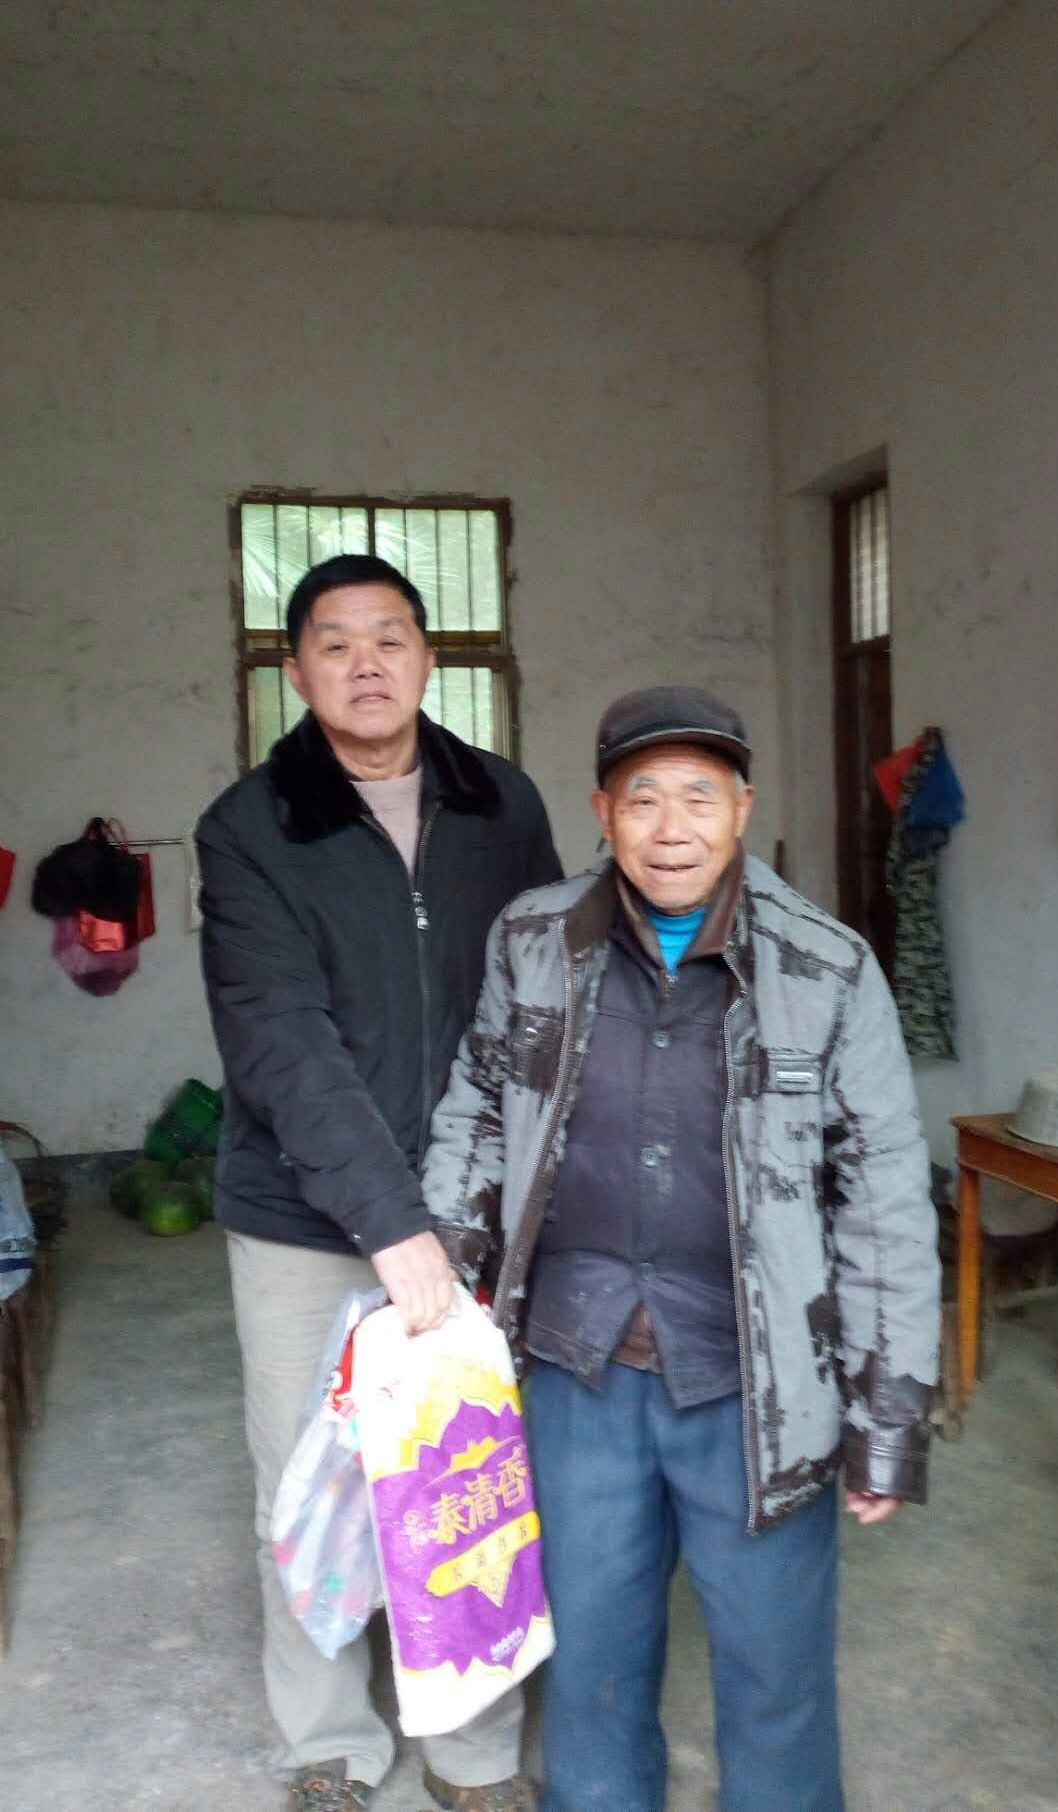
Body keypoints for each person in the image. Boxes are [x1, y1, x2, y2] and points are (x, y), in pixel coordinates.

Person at [421, 685, 941, 1812]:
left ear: (742, 808)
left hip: (758, 1381)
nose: (671, 828)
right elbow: (476, 1107)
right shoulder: (533, 940)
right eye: (643, 797)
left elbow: (885, 1197)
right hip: (579, 1364)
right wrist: (440, 1272)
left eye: (700, 797)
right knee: (593, 1663)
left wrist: (888, 1418)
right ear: (603, 812)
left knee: (774, 1669)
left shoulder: (827, 967)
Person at [197, 553, 559, 1812]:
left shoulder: (501, 803)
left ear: (429, 658)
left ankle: (472, 1746)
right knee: (309, 1480)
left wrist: (501, 1193)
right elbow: (280, 1040)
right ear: (297, 671)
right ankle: (332, 1743)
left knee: (466, 1481)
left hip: (474, 1209)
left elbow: (541, 1000)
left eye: (390, 637)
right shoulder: (251, 827)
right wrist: (393, 1222)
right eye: (335, 643)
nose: (366, 664)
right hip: (302, 1220)